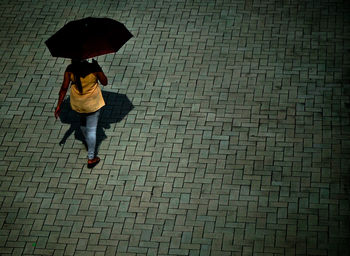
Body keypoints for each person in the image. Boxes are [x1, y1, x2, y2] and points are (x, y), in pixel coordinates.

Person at [54, 59, 108, 168]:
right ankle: (91, 158)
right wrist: (98, 67)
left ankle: (88, 140)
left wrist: (59, 105)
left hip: (78, 104)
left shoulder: (70, 70)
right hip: (92, 104)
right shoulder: (93, 68)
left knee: (83, 122)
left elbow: (64, 88)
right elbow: (104, 82)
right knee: (92, 130)